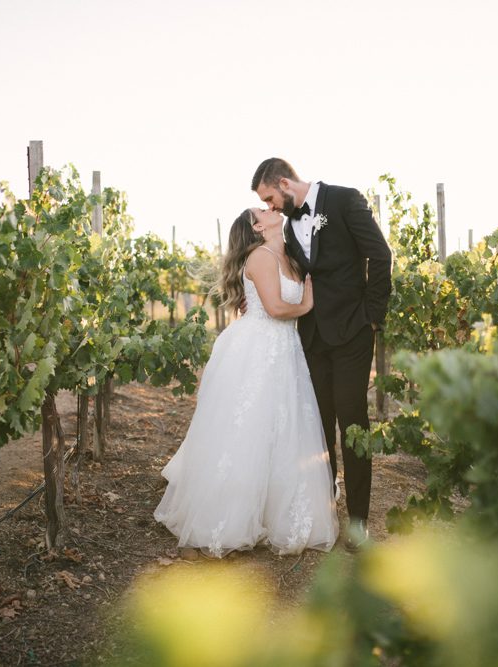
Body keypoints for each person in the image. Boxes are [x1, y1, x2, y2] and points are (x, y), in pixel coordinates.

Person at [154, 208, 339, 558]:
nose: (271, 210)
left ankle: (277, 511)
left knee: (282, 429)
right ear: (257, 226)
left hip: (284, 347)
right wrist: (308, 303)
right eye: (263, 211)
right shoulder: (260, 256)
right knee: (249, 428)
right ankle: (227, 518)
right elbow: (275, 308)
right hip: (259, 346)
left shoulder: (285, 254)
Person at [251, 158, 392, 551]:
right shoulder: (287, 224)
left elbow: (380, 255)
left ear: (283, 182)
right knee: (318, 427)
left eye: (270, 198)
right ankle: (324, 509)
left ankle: (359, 522)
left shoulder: (345, 201)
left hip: (352, 334)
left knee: (352, 422)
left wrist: (373, 317)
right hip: (311, 338)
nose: (272, 207)